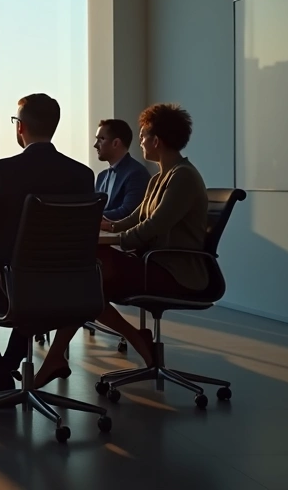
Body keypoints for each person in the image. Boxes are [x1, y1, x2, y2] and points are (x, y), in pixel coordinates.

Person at [34, 104, 209, 389]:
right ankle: (130, 340)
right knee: (86, 286)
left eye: (142, 136)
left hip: (177, 272)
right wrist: (103, 225)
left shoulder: (183, 177)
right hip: (155, 265)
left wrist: (114, 239)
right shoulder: (160, 178)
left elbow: (152, 227)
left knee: (87, 276)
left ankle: (122, 342)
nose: (139, 141)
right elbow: (132, 219)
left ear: (157, 140)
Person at [0, 93, 94, 399]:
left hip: (10, 288)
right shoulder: (83, 175)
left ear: (20, 127)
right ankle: (7, 367)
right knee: (32, 285)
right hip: (71, 290)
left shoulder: (4, 171)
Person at [93, 118, 150, 220]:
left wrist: (89, 217)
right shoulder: (101, 176)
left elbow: (128, 212)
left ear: (116, 143)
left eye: (100, 139)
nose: (95, 145)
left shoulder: (137, 174)